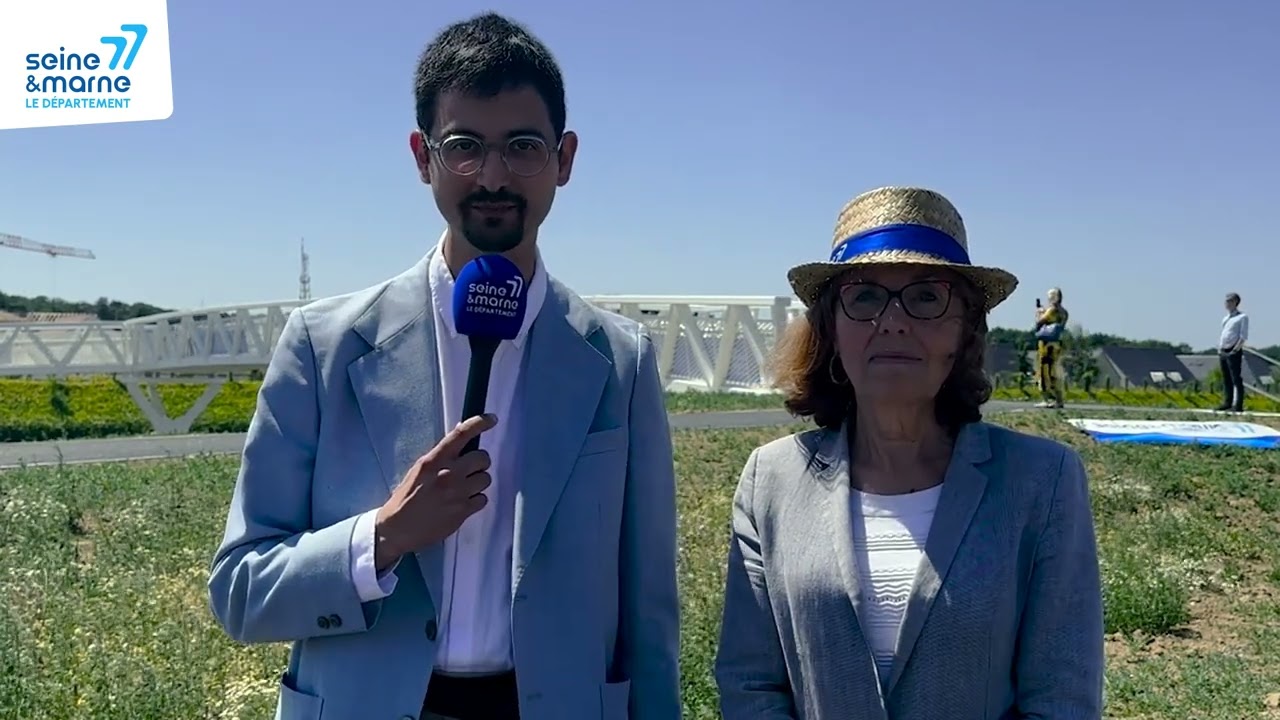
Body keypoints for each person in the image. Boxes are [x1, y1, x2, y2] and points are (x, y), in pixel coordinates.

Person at [206, 13, 681, 720]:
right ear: (422, 157)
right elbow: (240, 591)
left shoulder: (621, 361)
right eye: (463, 147)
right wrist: (384, 537)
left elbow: (649, 613)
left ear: (564, 159)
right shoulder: (322, 347)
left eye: (523, 146)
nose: (493, 176)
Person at [713, 186, 1104, 718]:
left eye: (925, 297)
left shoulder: (1043, 480)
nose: (893, 321)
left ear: (965, 329)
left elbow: (1062, 698)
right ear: (831, 330)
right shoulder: (771, 479)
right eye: (864, 297)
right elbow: (751, 685)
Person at [1033, 287, 1068, 408]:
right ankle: (1058, 399)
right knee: (1054, 372)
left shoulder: (1051, 310)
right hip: (1056, 344)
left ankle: (1046, 399)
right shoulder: (1064, 312)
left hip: (1046, 345)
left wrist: (1039, 313)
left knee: (1044, 372)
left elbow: (1040, 322)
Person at [1217, 292, 1249, 412]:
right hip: (1223, 350)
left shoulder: (1242, 317)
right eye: (1226, 301)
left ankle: (1238, 404)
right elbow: (1224, 334)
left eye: (1229, 301)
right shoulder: (1225, 318)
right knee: (1226, 378)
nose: (1227, 303)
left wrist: (1235, 349)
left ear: (1235, 302)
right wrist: (1220, 348)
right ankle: (1227, 402)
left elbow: (1243, 336)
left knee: (1236, 378)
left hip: (1233, 350)